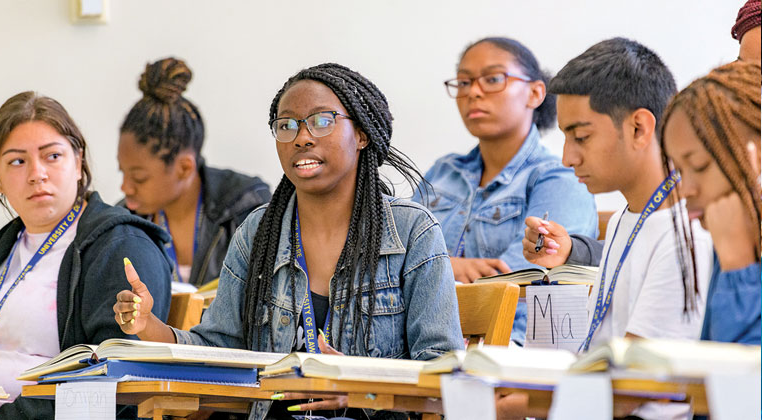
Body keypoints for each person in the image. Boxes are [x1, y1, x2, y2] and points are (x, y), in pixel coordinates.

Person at [113, 63, 464, 420]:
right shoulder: (257, 232)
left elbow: (444, 375)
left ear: (361, 134)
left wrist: (363, 388)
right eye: (287, 125)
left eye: (322, 121)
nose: (301, 137)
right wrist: (148, 326)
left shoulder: (412, 231)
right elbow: (219, 349)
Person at [521, 38, 715, 419]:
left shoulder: (686, 235)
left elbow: (633, 387)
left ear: (639, 128)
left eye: (581, 137)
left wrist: (522, 404)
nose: (568, 157)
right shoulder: (627, 218)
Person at [0, 92, 171, 420]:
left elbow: (112, 382)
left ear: (78, 162)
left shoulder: (121, 247)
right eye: (17, 161)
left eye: (53, 156)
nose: (37, 173)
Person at [413, 37, 597, 344]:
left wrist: (428, 269)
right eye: (464, 82)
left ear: (535, 93)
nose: (474, 92)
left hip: (510, 345)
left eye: (493, 79)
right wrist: (451, 266)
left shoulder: (559, 179)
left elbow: (516, 282)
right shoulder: (443, 171)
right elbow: (390, 263)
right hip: (423, 340)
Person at [118, 57, 271, 287]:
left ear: (184, 168)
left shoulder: (247, 208)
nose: (125, 187)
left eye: (139, 177)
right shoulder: (123, 222)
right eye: (122, 172)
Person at [661, 60, 761, 344]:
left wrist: (738, 264)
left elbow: (743, 366)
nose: (685, 190)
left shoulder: (735, 244)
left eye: (700, 166)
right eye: (680, 171)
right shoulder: (732, 230)